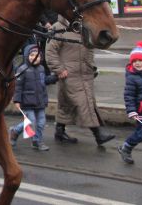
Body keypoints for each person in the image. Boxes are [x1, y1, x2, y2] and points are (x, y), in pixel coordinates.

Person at [45, 15, 115, 146]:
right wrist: (59, 69)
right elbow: (50, 52)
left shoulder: (83, 27)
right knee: (84, 103)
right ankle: (98, 134)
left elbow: (91, 47)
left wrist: (91, 66)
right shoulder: (58, 28)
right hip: (68, 74)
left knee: (67, 104)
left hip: (85, 73)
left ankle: (59, 131)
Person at [9, 44, 58, 151]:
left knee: (41, 123)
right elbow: (18, 86)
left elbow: (43, 81)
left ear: (41, 57)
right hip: (27, 102)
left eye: (37, 55)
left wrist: (54, 78)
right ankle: (15, 131)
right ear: (27, 56)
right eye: (31, 55)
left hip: (39, 101)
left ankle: (37, 141)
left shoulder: (41, 68)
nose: (34, 57)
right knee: (31, 121)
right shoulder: (22, 69)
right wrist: (17, 100)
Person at [118, 41, 142, 164]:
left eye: (141, 61)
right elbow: (129, 96)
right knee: (140, 134)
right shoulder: (132, 78)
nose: (137, 63)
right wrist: (132, 110)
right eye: (135, 61)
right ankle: (126, 147)